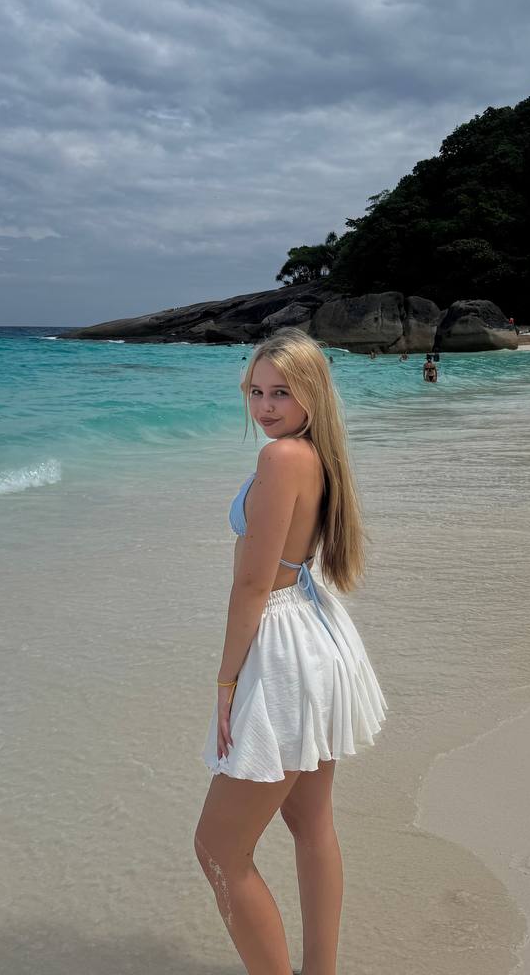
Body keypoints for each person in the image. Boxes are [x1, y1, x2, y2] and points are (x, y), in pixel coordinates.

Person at [196, 328, 387, 974]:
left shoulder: (282, 458)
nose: (265, 406)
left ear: (312, 393)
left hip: (283, 647)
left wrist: (226, 684)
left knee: (218, 849)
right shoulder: (314, 454)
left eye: (281, 392)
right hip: (315, 634)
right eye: (255, 392)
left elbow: (253, 584)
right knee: (311, 823)